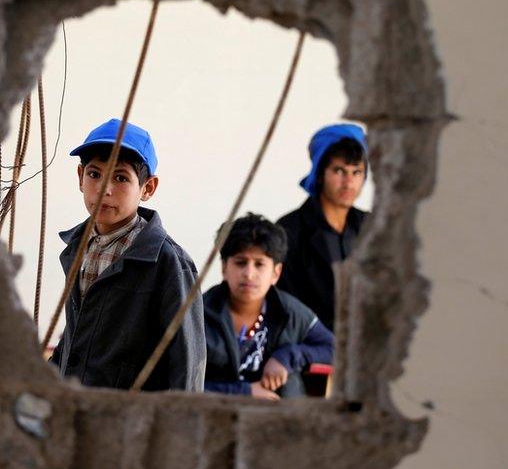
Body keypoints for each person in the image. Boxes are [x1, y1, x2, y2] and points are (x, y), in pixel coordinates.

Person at [49, 118, 206, 391]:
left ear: (148, 188)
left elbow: (187, 368)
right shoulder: (78, 248)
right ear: (80, 177)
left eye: (120, 178)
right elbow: (75, 340)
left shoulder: (169, 263)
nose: (103, 190)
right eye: (94, 174)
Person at [203, 213, 334, 399]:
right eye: (240, 263)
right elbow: (181, 383)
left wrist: (287, 356)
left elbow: (335, 350)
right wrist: (245, 393)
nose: (249, 274)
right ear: (224, 267)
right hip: (214, 422)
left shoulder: (291, 312)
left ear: (276, 272)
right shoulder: (198, 315)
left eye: (259, 264)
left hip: (282, 422)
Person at [276, 124, 369, 331]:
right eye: (339, 171)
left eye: (357, 172)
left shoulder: (372, 227)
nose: (348, 182)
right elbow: (288, 307)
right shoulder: (289, 232)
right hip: (311, 350)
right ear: (320, 174)